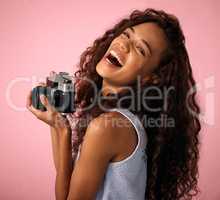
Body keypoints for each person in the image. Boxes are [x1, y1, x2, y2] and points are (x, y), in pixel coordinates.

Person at [26, 8, 201, 200]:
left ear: (151, 78)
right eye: (126, 34)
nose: (124, 44)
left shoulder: (107, 127)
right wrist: (57, 122)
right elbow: (70, 181)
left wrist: (61, 129)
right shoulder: (123, 121)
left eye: (140, 49)